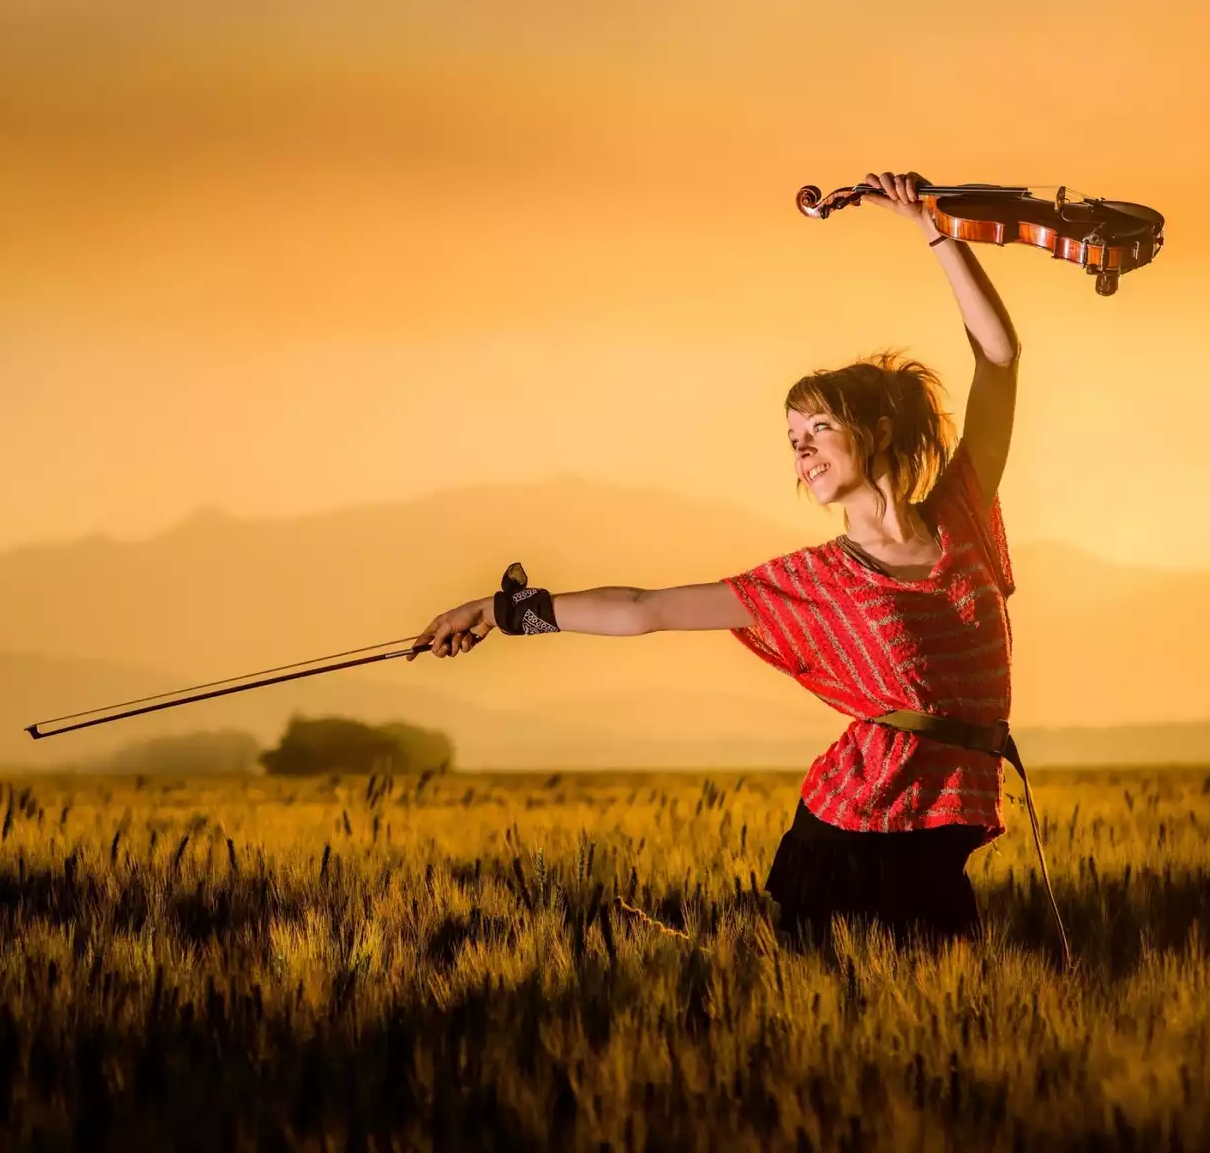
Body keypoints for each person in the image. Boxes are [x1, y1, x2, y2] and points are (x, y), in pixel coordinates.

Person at [408, 169, 1023, 951]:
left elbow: (998, 360)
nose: (801, 453)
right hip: (852, 840)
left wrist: (935, 229)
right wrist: (499, 612)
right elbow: (644, 609)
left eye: (817, 431)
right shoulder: (815, 581)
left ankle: (660, 939)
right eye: (792, 441)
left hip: (944, 832)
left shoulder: (963, 516)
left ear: (873, 428)